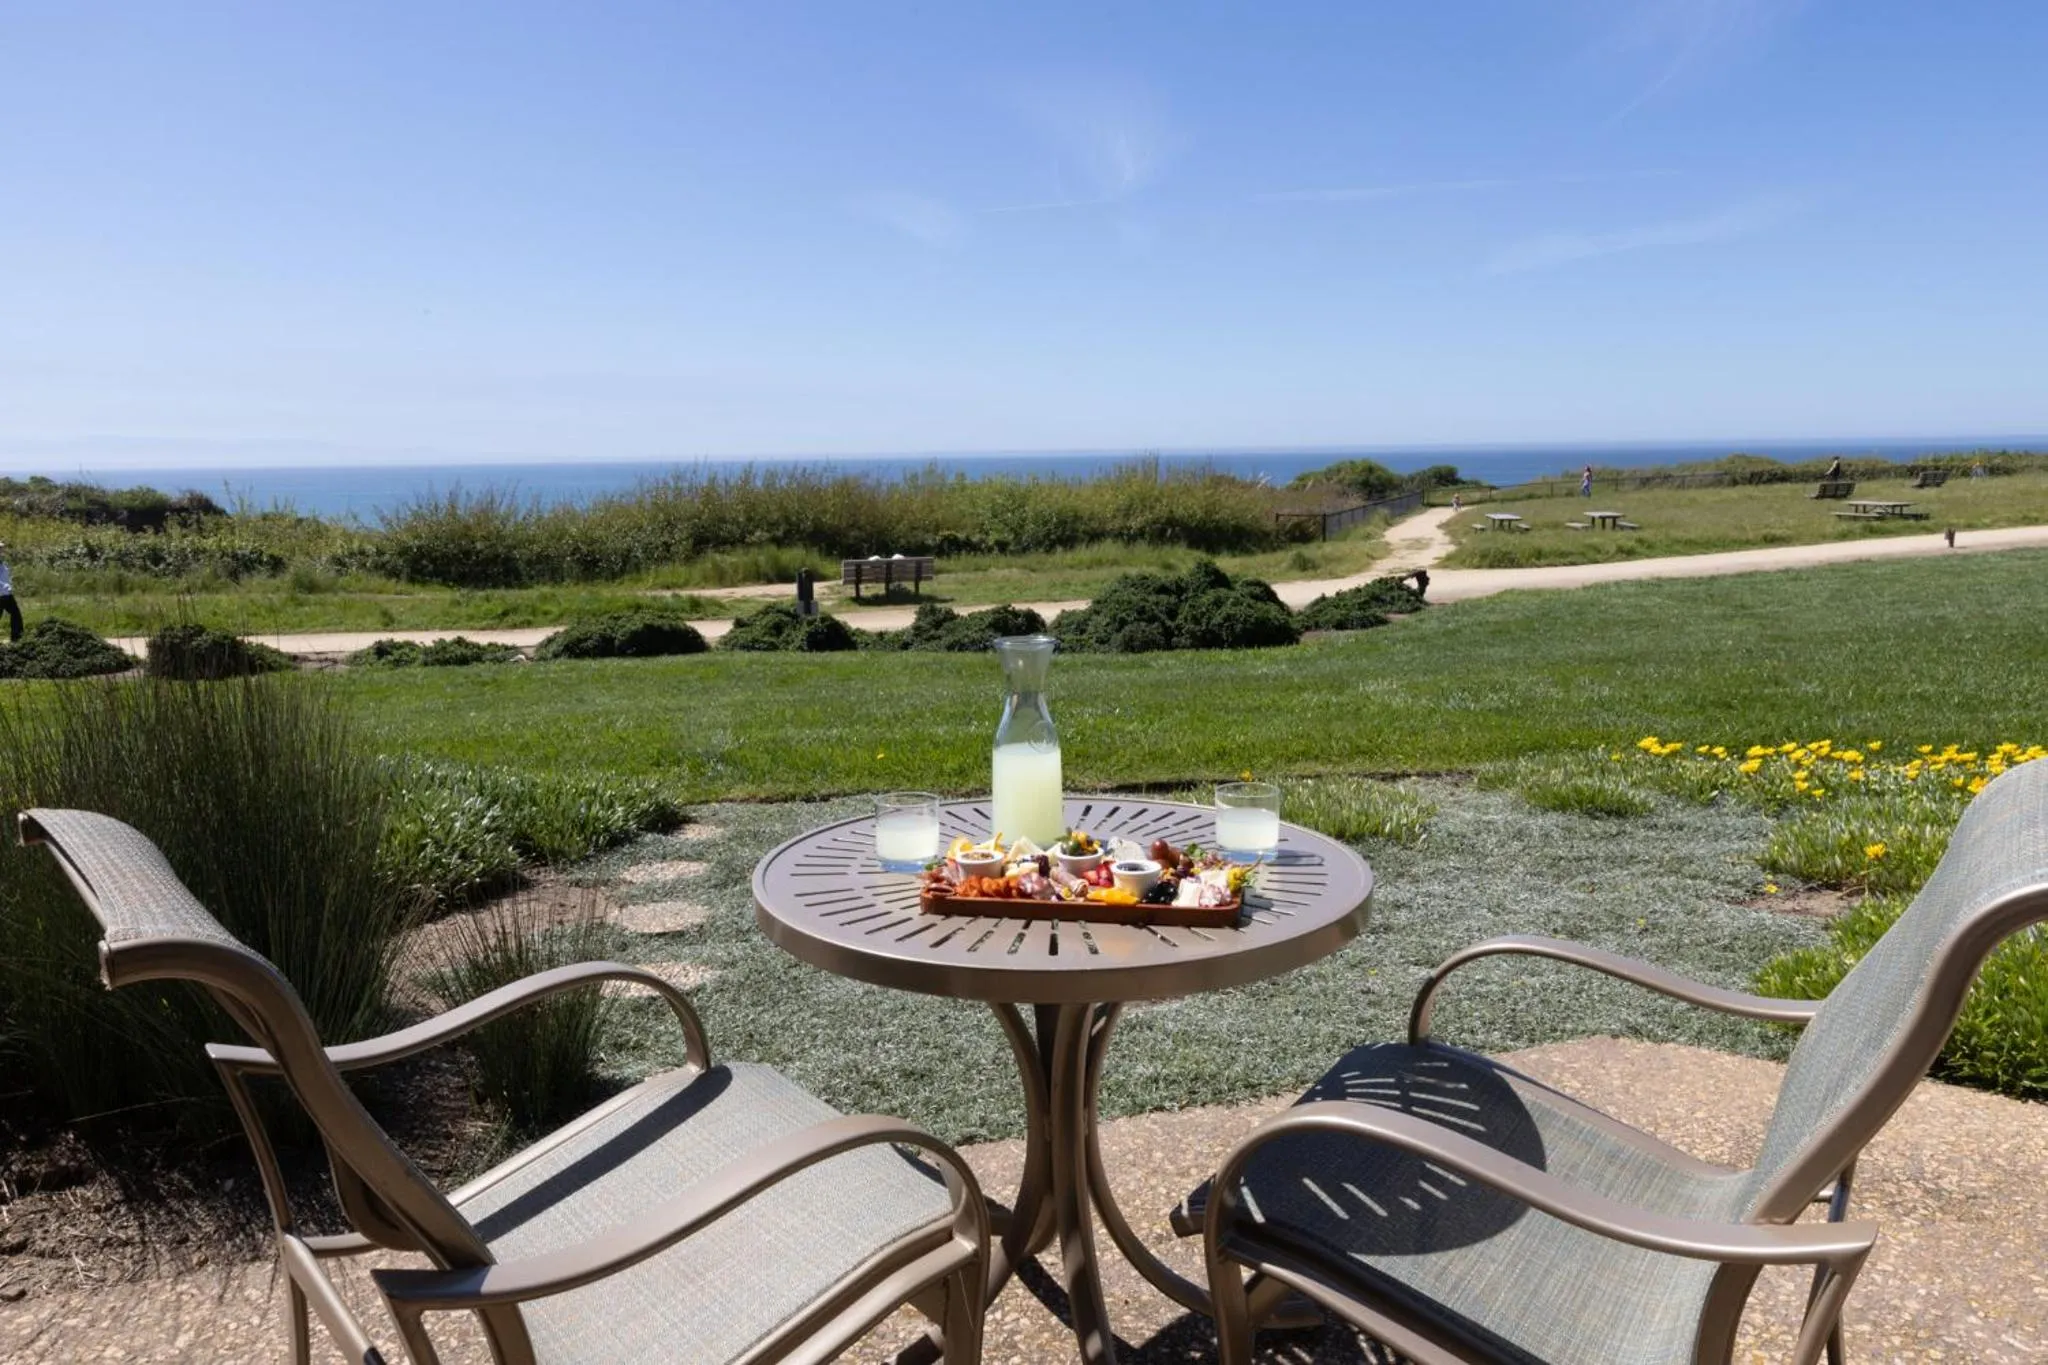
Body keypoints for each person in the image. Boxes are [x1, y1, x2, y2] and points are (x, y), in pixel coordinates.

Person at [0, 542, 19, 643]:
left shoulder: (2, 563)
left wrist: (9, 583)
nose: (1, 551)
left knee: (16, 614)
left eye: (2, 548)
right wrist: (5, 586)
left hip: (6, 595)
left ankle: (16, 639)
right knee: (15, 614)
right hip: (2, 594)